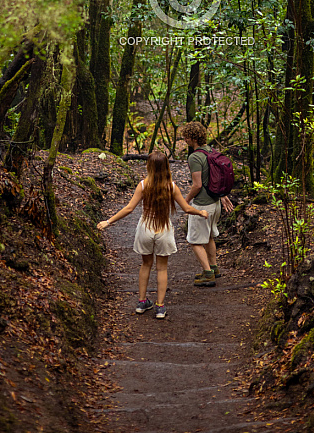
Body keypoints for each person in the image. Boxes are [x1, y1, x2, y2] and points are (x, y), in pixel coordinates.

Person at [97, 151, 208, 319]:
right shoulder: (171, 186)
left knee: (146, 265)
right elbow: (186, 208)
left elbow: (129, 208)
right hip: (163, 229)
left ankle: (142, 302)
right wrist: (201, 212)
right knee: (162, 268)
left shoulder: (143, 185)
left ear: (148, 166)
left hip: (145, 228)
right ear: (166, 167)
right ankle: (160, 307)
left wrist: (108, 221)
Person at [182, 121, 234, 287]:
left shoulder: (195, 157)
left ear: (192, 138)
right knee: (209, 236)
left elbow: (197, 185)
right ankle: (214, 267)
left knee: (195, 241)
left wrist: (185, 201)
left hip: (202, 206)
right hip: (215, 202)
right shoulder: (212, 152)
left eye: (186, 137)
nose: (185, 140)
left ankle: (208, 273)